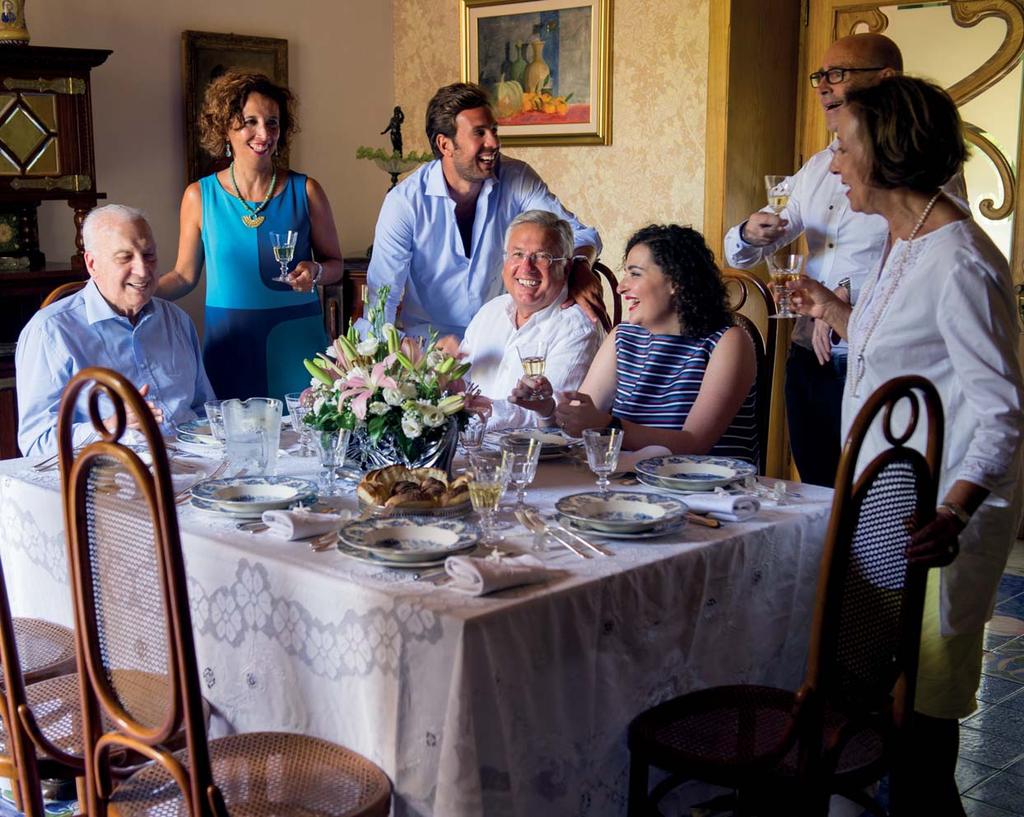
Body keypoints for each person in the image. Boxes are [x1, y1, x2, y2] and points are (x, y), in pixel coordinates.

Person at [789, 76, 1023, 815]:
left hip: (935, 525)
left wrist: (950, 515)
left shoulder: (958, 261)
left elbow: (1005, 415)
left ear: (887, 155)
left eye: (843, 145)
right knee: (885, 706)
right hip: (890, 510)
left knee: (921, 728)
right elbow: (898, 352)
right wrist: (829, 307)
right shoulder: (907, 238)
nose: (834, 164)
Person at [725, 34, 925, 486]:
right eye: (820, 76)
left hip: (871, 354)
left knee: (870, 490)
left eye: (839, 74)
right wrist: (748, 232)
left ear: (886, 80)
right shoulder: (817, 167)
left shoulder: (922, 166)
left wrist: (846, 297)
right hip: (806, 350)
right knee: (816, 487)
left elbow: (922, 251)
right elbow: (747, 245)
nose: (823, 88)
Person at [364, 82, 605, 340]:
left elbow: (581, 234)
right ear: (445, 145)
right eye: (479, 133)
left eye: (493, 130)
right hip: (428, 352)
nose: (493, 142)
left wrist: (580, 265)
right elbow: (381, 304)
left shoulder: (518, 178)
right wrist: (396, 362)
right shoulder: (403, 203)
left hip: (502, 341)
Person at [157, 70, 343, 401]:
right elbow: (184, 276)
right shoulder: (199, 197)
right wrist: (132, 294)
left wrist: (315, 272)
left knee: (305, 444)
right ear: (225, 127)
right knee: (232, 446)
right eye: (250, 121)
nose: (263, 133)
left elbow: (335, 264)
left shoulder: (307, 191)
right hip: (231, 346)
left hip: (297, 343)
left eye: (272, 123)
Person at [16, 205, 214, 457]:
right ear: (92, 264)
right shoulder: (50, 332)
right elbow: (36, 443)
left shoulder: (176, 320)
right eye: (125, 258)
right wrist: (109, 428)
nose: (143, 271)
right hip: (113, 482)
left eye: (149, 255)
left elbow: (203, 411)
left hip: (198, 468)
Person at [554, 225, 758, 464]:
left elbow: (694, 444)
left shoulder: (728, 342)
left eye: (635, 274)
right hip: (633, 483)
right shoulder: (622, 338)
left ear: (676, 282)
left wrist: (607, 426)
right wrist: (548, 409)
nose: (621, 287)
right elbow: (578, 424)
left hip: (713, 491)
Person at [437, 210, 603, 429]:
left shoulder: (578, 327)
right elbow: (462, 385)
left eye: (542, 256)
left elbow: (553, 414)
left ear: (567, 268)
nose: (526, 267)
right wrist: (443, 376)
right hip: (468, 442)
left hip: (531, 457)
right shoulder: (491, 311)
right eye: (517, 254)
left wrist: (469, 410)